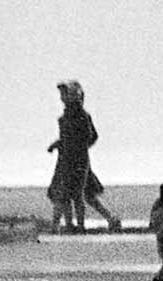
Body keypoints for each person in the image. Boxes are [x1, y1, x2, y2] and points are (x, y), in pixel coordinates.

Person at [46, 80, 121, 232]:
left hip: (78, 161)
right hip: (67, 160)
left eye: (65, 93)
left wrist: (78, 149)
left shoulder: (81, 116)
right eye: (62, 94)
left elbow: (90, 136)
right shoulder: (64, 117)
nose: (62, 97)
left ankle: (78, 225)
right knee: (76, 194)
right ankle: (71, 224)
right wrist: (59, 145)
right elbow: (68, 138)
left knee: (77, 194)